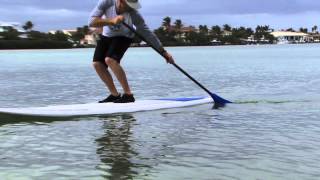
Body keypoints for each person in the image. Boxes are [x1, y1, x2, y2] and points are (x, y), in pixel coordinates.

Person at [89, 0, 175, 103]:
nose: (130, 8)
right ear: (120, 1)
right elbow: (91, 22)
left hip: (124, 36)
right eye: (128, 5)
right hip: (106, 36)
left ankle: (128, 95)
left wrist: (163, 52)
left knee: (110, 60)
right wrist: (111, 21)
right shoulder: (106, 2)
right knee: (97, 64)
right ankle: (115, 95)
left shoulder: (133, 13)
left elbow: (146, 32)